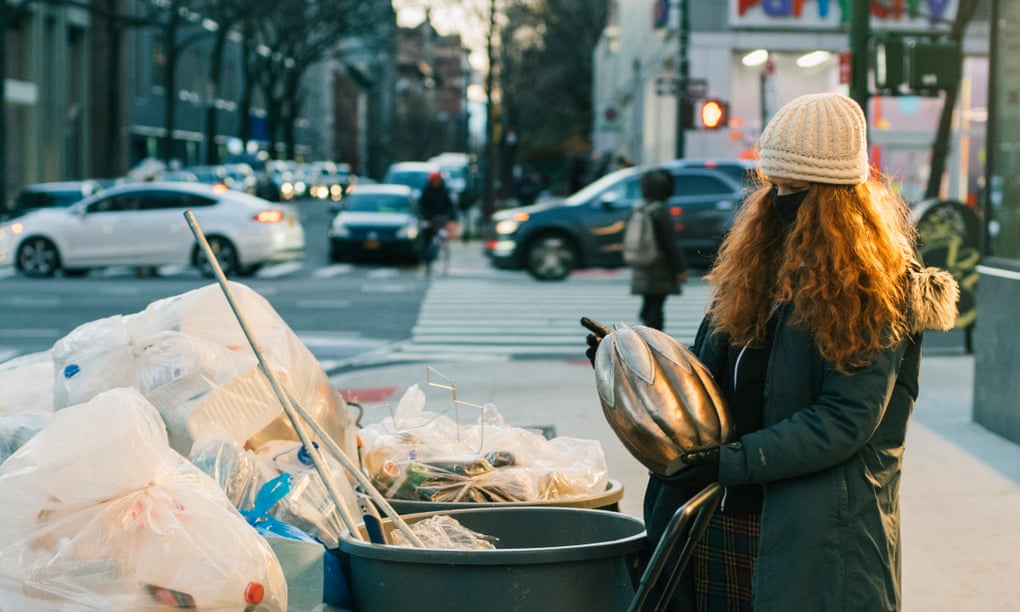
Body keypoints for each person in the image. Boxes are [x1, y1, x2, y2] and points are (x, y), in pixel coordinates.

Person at [585, 93, 959, 611]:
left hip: (810, 531)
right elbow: (706, 373)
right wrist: (632, 361)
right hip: (724, 513)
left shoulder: (875, 289)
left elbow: (845, 419)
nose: (777, 201)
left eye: (794, 189)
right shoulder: (754, 269)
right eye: (772, 185)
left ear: (836, 199)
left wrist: (731, 462)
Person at [628, 169, 688, 330]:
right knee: (657, 305)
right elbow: (670, 243)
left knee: (648, 302)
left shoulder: (640, 207)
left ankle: (645, 330)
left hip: (643, 259)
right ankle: (652, 337)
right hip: (660, 265)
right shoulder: (660, 211)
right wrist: (680, 269)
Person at [418, 171, 456, 261]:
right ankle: (425, 255)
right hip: (429, 218)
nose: (436, 182)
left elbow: (449, 205)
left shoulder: (444, 191)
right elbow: (422, 205)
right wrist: (426, 216)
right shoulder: (426, 191)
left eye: (437, 180)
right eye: (434, 181)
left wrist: (451, 217)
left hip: (441, 218)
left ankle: (439, 250)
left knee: (442, 234)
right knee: (426, 235)